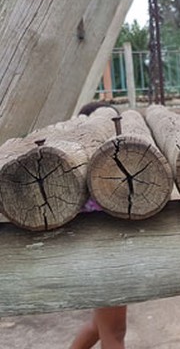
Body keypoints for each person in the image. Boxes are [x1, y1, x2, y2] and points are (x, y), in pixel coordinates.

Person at [71, 101, 127, 349]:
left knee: (99, 326)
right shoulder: (95, 171)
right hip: (106, 256)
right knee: (114, 333)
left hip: (98, 255)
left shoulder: (81, 163)